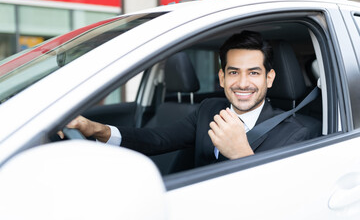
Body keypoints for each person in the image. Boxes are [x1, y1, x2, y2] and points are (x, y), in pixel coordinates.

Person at [62, 31, 309, 167]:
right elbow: (157, 140)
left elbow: (287, 201)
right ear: (222, 77)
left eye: (254, 73)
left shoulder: (296, 134)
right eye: (234, 72)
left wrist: (242, 154)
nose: (243, 83)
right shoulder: (209, 109)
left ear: (269, 78)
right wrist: (95, 129)